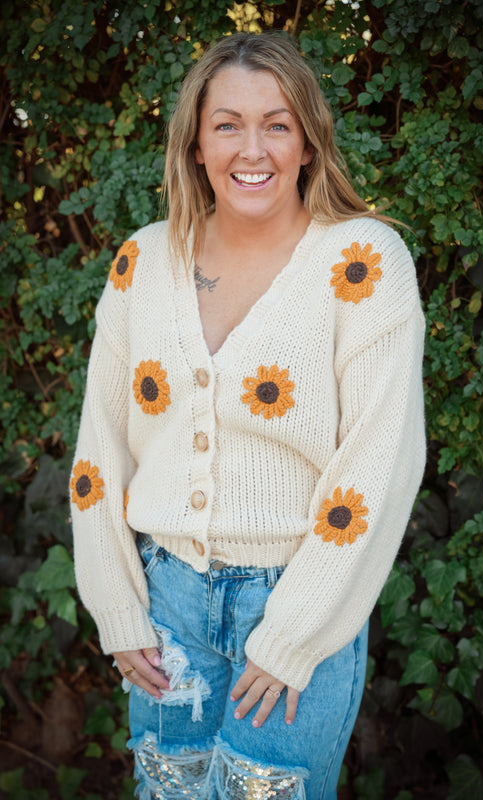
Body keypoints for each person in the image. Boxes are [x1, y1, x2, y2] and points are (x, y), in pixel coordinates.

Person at [70, 31, 426, 800]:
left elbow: (379, 461)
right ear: (196, 144)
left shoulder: (361, 264)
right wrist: (116, 605)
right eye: (227, 123)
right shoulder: (142, 260)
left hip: (300, 596)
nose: (251, 148)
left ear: (307, 141)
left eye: (276, 123)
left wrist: (293, 635)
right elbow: (99, 449)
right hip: (165, 605)